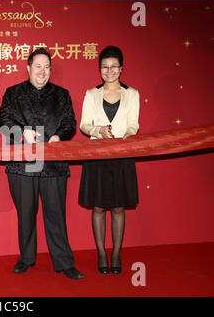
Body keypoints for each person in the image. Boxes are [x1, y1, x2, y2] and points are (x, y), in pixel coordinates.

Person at [0, 48, 84, 280]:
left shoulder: (62, 94)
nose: (42, 71)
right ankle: (26, 258)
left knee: (56, 214)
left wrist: (61, 137)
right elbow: (3, 123)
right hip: (22, 165)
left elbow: (70, 123)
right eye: (38, 66)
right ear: (28, 68)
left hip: (53, 164)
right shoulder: (12, 93)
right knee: (25, 213)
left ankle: (64, 262)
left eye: (47, 67)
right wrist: (23, 132)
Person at [78, 45, 139, 275]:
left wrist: (127, 136)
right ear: (100, 69)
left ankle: (116, 253)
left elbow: (134, 123)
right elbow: (84, 125)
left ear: (121, 68)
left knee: (119, 207)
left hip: (122, 154)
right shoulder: (91, 94)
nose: (109, 71)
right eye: (105, 67)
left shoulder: (132, 94)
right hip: (97, 155)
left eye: (114, 66)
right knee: (98, 206)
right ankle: (102, 252)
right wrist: (98, 129)